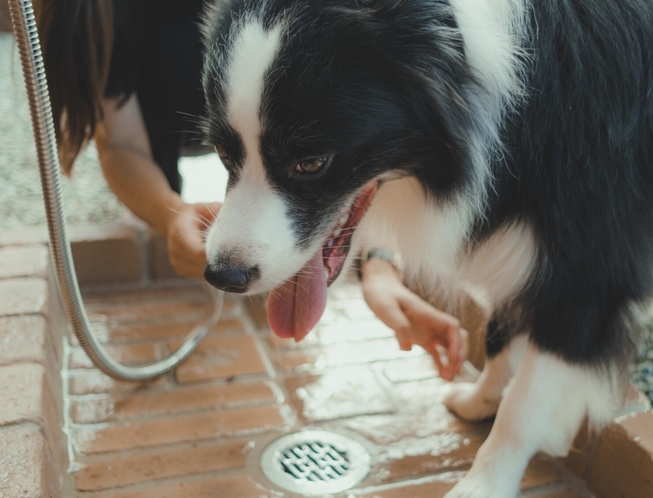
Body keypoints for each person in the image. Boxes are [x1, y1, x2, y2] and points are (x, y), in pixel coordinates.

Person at [37, 0, 467, 380]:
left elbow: (374, 123)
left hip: (278, 133)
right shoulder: (87, 12)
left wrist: (379, 265)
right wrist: (168, 212)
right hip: (180, 131)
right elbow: (121, 146)